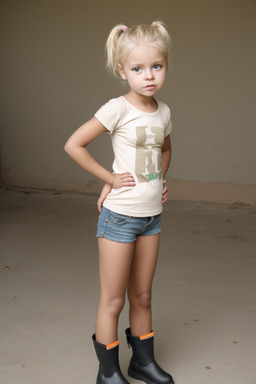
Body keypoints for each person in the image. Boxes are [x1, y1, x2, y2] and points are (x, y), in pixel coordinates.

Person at [65, 21, 174, 384]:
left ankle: (141, 363)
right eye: (138, 68)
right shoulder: (117, 108)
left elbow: (165, 148)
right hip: (120, 218)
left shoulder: (163, 111)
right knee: (113, 300)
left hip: (151, 218)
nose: (148, 76)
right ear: (122, 70)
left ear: (166, 66)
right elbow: (74, 144)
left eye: (156, 66)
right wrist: (110, 179)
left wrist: (161, 179)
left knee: (142, 294)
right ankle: (108, 373)